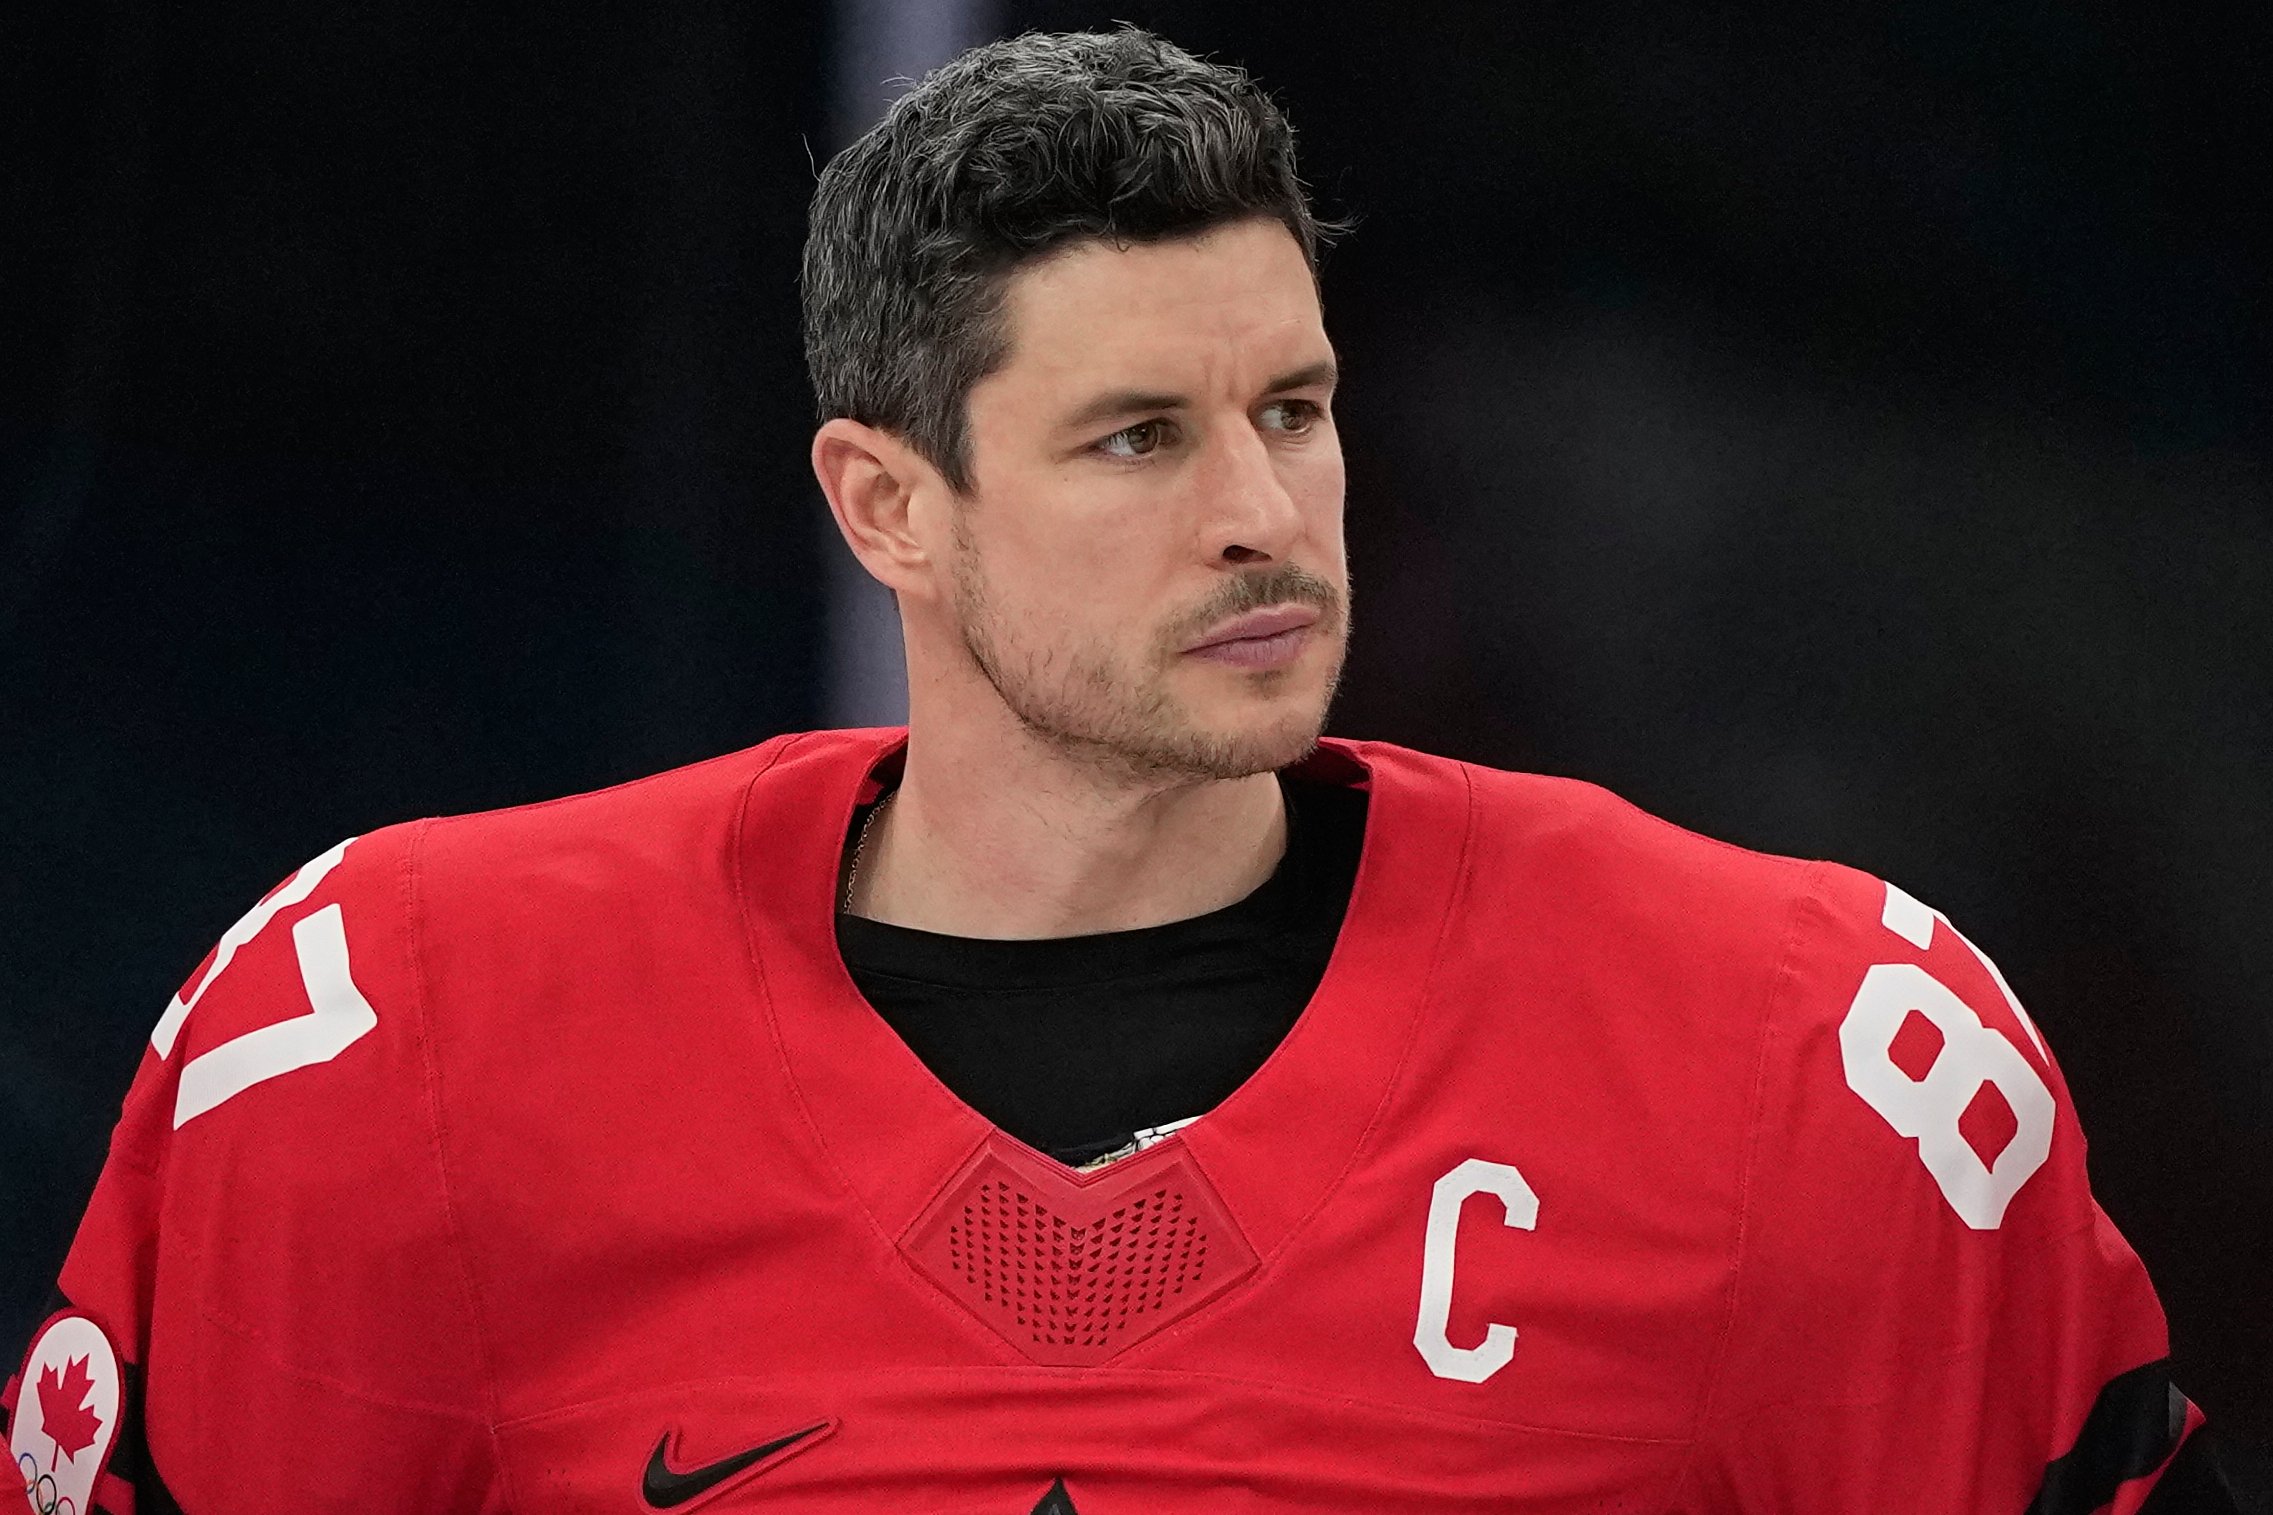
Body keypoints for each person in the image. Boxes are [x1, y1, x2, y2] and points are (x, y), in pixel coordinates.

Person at [4, 26, 2242, 1515]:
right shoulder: (391, 1044)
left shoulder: (1798, 1059)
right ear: (888, 506)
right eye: (1139, 439)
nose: (1265, 514)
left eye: (1294, 409)